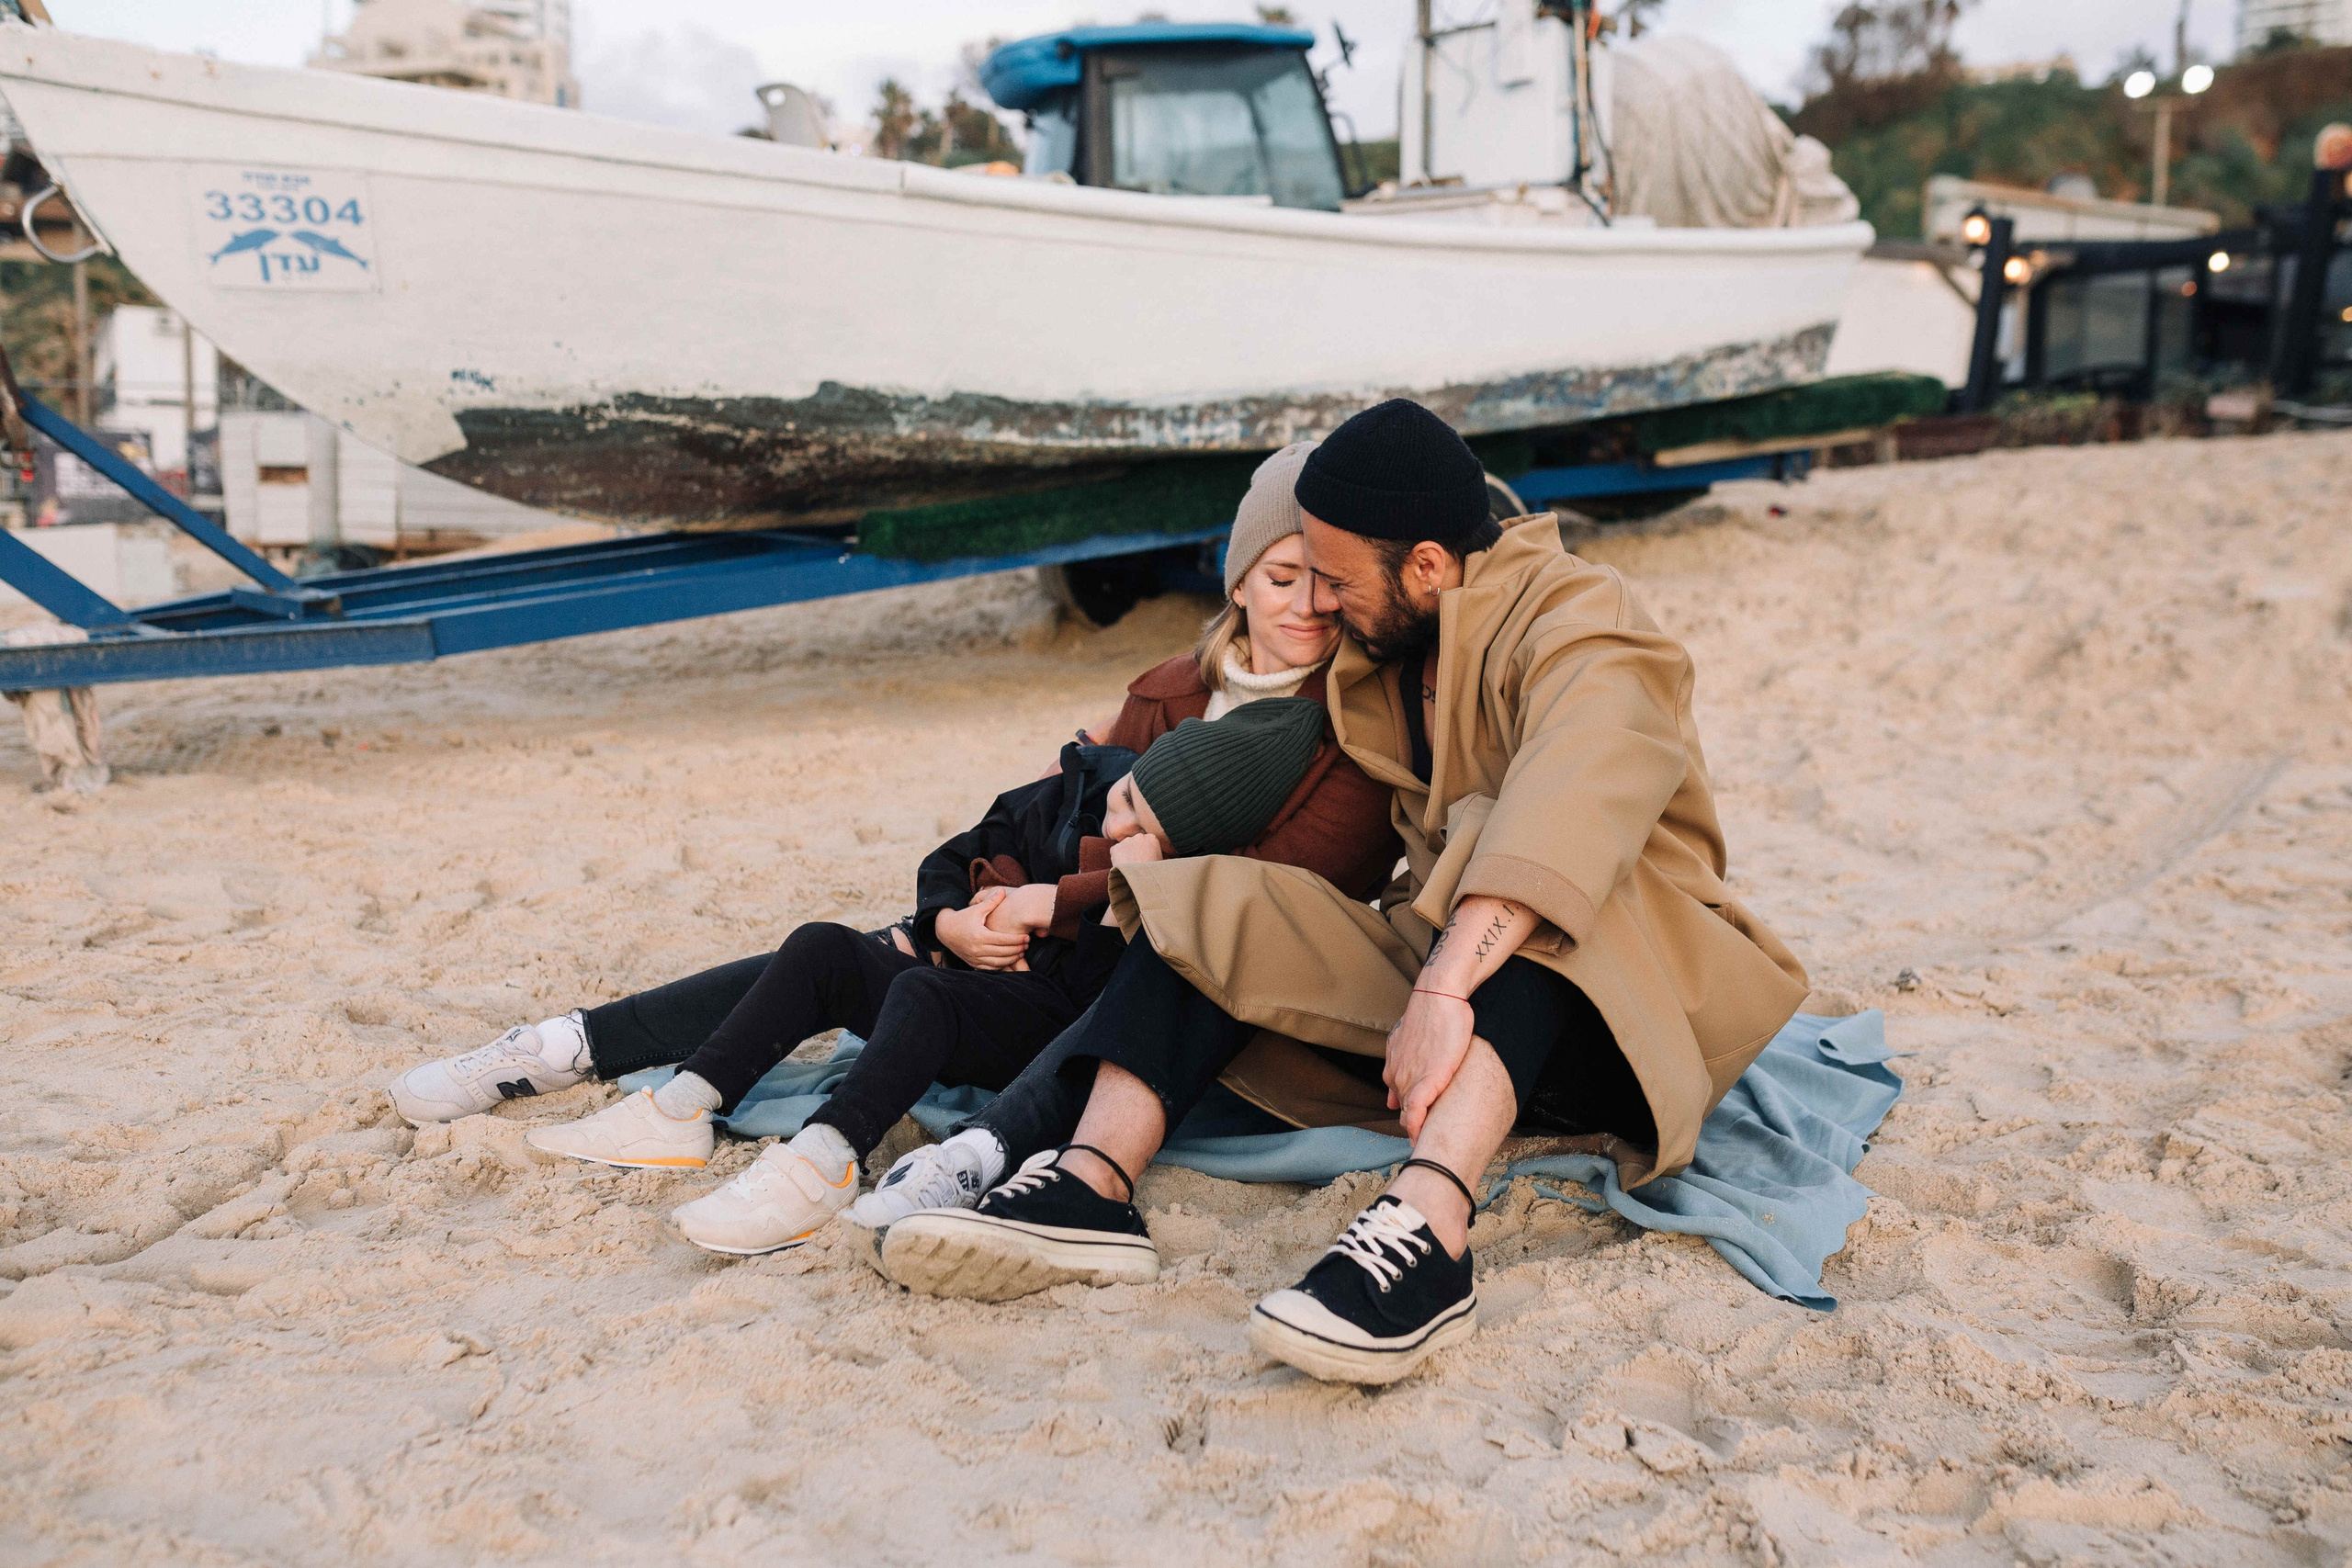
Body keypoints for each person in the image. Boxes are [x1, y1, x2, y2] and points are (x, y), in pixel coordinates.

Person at [872, 399, 1810, 1385]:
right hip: (1447, 995)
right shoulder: (1390, 654)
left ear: (1428, 566)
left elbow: (1576, 785)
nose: (1316, 601)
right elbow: (1287, 775)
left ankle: (1427, 1229)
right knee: (1223, 902)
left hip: (1631, 1001)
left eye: (1334, 577)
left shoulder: (1586, 618)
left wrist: (1445, 990)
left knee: (1530, 863)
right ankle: (1089, 1187)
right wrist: (1157, 806)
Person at [383, 445, 1401, 1217]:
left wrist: (1054, 902)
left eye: (1328, 582)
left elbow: (1269, 892)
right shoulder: (1169, 691)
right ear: (1235, 581)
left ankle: (848, 1151)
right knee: (847, 949)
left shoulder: (1348, 730)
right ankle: (566, 1049)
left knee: (906, 978)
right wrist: (963, 912)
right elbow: (1043, 813)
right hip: (1035, 950)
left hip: (1152, 990)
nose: (1309, 607)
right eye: (1280, 578)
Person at [526, 697, 1330, 1256]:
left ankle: (825, 1158)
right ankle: (681, 1107)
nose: (1116, 824)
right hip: (971, 962)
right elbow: (969, 842)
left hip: (1047, 1025)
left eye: (1142, 829)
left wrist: (1106, 886)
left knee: (921, 994)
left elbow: (1129, 970)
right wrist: (962, 915)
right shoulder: (1097, 780)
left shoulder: (1181, 895)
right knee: (822, 946)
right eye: (1125, 798)